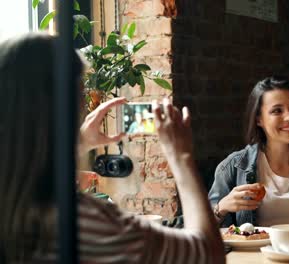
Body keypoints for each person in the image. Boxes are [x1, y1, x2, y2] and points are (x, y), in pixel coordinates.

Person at [0, 33, 225, 263]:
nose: (85, 110)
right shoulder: (80, 220)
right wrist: (181, 156)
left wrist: (79, 143)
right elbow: (209, 254)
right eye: (82, 96)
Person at [208, 76, 289, 230]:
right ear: (258, 119)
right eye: (277, 111)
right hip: (254, 254)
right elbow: (200, 230)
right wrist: (221, 207)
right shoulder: (234, 166)